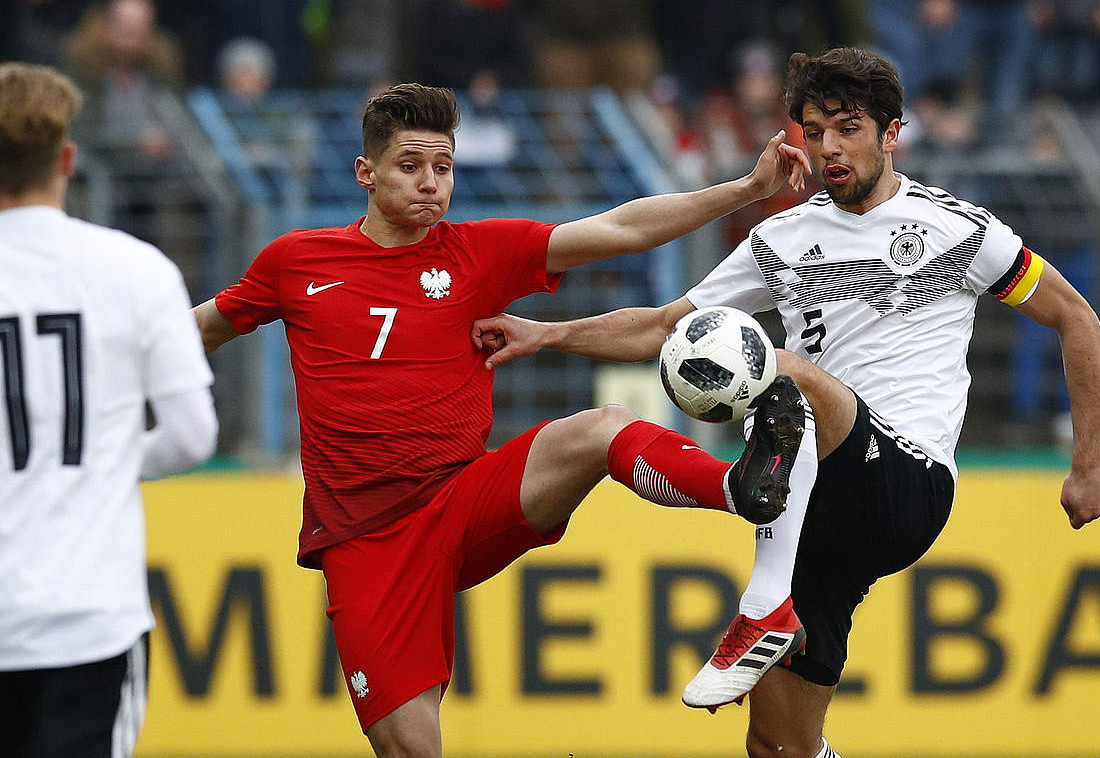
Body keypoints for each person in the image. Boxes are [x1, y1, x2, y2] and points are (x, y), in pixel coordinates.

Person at [473, 47, 1100, 758]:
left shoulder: (958, 230)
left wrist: (1088, 464)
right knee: (779, 747)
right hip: (819, 509)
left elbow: (1075, 317)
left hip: (905, 480)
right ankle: (778, 616)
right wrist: (546, 331)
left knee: (775, 369)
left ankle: (761, 606)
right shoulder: (780, 238)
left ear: (891, 133)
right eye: (815, 131)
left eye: (849, 128)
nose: (830, 148)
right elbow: (662, 326)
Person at [190, 82, 812, 756]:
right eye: (410, 166)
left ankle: (738, 486)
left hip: (462, 500)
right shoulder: (295, 262)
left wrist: (747, 189)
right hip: (365, 542)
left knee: (601, 426)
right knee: (411, 750)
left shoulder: (476, 253)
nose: (431, 183)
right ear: (365, 173)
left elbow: (622, 229)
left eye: (444, 167)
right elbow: (197, 332)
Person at [0, 62, 217, 757]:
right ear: (66, 159)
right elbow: (192, 435)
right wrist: (109, 459)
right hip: (88, 614)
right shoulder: (135, 270)